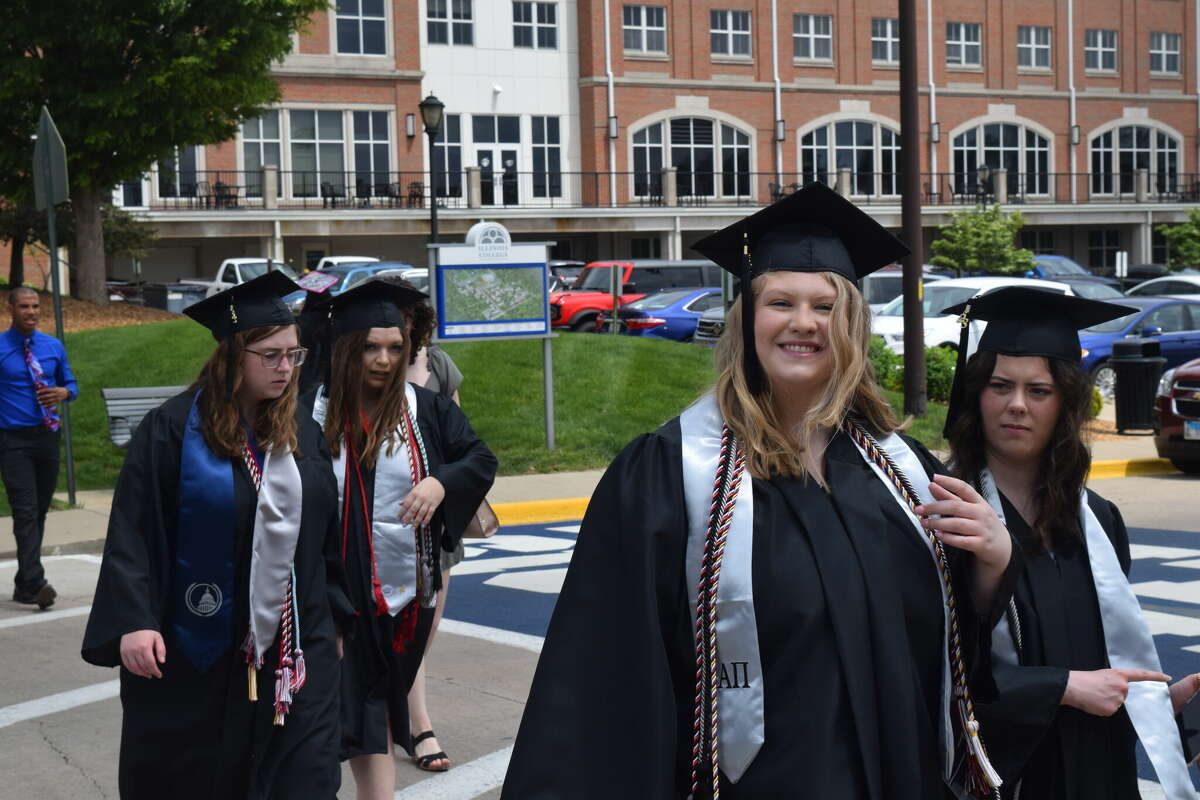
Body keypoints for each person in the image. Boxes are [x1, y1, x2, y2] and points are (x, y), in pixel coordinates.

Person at [502, 183, 1018, 799]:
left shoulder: (899, 470)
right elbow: (606, 675)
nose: (803, 323)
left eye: (825, 306)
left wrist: (992, 561)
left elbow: (949, 652)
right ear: (748, 318)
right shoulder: (671, 475)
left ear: (851, 323)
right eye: (780, 302)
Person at [81, 271, 352, 799]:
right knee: (201, 775)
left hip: (297, 646)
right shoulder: (171, 431)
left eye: (293, 355)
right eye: (269, 355)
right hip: (198, 645)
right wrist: (133, 621)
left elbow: (323, 531)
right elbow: (132, 531)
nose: (284, 368)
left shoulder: (299, 428)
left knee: (306, 778)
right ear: (232, 356)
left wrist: (336, 614)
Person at [942, 286, 1200, 800]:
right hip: (1003, 777)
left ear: (1064, 403)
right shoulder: (949, 515)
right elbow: (936, 674)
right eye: (1000, 386)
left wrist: (1160, 709)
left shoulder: (1099, 520)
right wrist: (1062, 688)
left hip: (1097, 772)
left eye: (1038, 391)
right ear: (977, 395)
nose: (1017, 405)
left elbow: (1107, 671)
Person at [308, 278, 496, 799]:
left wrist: (440, 483)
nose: (384, 360)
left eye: (395, 348)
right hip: (324, 594)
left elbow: (478, 458)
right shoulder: (309, 412)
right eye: (370, 347)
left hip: (397, 596)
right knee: (320, 720)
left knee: (371, 707)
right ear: (346, 348)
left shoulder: (425, 409)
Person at [404, 338, 465, 772]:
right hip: (375, 518)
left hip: (433, 517)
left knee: (422, 632)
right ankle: (417, 724)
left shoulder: (439, 363)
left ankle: (405, 713)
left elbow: (461, 439)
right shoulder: (356, 361)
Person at [1, 286, 76, 610]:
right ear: (11, 309)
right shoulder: (1, 348)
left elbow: (71, 384)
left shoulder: (52, 346)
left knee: (39, 511)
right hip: (12, 440)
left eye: (35, 306)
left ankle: (23, 584)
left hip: (47, 437)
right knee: (26, 511)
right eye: (24, 306)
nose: (30, 312)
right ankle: (35, 582)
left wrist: (63, 392)